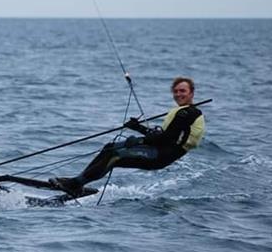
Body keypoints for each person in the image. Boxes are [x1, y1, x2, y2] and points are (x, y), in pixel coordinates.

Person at [49, 76, 206, 197]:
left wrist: (139, 140)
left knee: (116, 156)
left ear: (192, 93)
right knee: (110, 148)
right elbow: (161, 135)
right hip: (156, 148)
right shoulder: (181, 111)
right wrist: (138, 128)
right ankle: (78, 183)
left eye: (183, 91)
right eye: (176, 91)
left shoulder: (188, 113)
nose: (178, 94)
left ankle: (75, 184)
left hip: (162, 156)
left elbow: (167, 139)